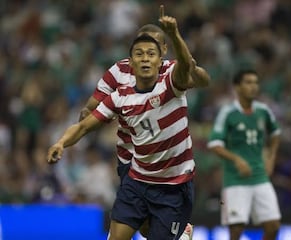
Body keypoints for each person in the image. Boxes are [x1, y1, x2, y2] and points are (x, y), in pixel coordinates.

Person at [48, 5, 208, 240]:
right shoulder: (119, 92)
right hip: (136, 171)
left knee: (154, 231)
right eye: (140, 53)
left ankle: (179, 231)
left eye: (151, 52)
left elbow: (197, 76)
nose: (145, 58)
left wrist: (175, 35)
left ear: (162, 54)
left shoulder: (171, 80)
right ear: (130, 60)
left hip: (173, 182)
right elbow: (85, 122)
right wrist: (62, 142)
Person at [207, 69, 281, 240]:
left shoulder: (263, 111)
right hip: (235, 180)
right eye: (248, 82)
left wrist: (271, 157)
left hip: (260, 176)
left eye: (256, 82)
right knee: (236, 231)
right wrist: (237, 159)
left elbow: (276, 133)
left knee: (273, 225)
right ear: (237, 87)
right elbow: (214, 144)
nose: (253, 87)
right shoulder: (228, 113)